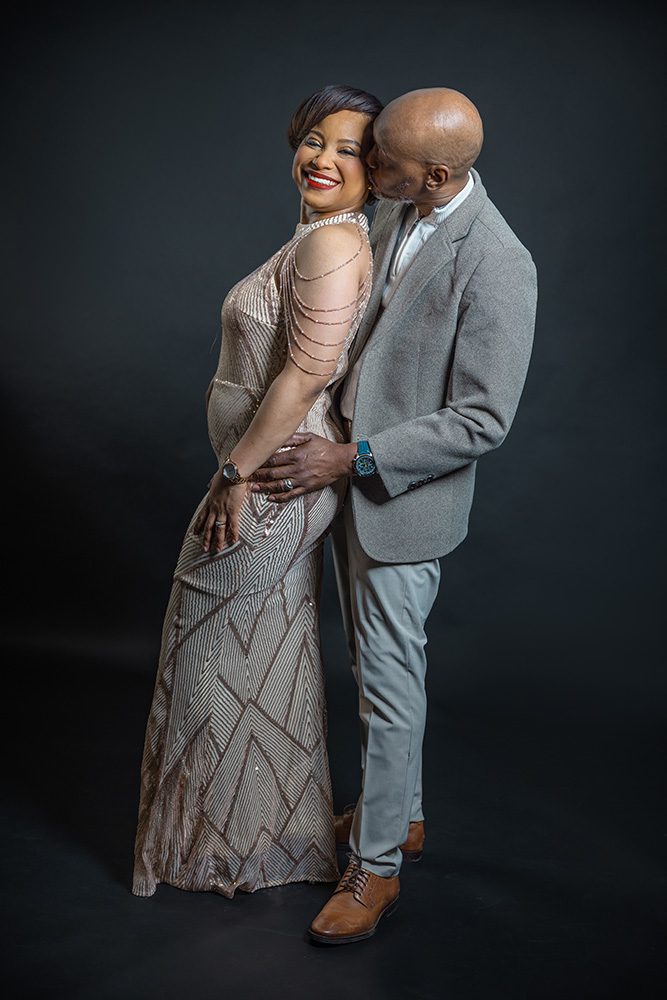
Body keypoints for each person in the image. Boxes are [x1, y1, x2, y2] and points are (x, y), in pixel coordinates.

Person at [250, 87, 538, 943]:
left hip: (400, 502)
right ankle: (401, 816)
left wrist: (352, 458)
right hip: (343, 486)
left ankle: (375, 869)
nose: (367, 167)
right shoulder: (393, 208)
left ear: (436, 176)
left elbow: (481, 420)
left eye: (385, 162)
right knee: (375, 674)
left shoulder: (500, 262)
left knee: (386, 686)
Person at [132, 84, 382, 899]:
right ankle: (255, 834)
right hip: (271, 475)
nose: (323, 159)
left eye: (348, 149)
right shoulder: (321, 235)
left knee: (209, 657)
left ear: (375, 170)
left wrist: (233, 476)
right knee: (258, 656)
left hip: (272, 482)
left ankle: (222, 843)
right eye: (314, 139)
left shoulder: (331, 244)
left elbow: (305, 374)